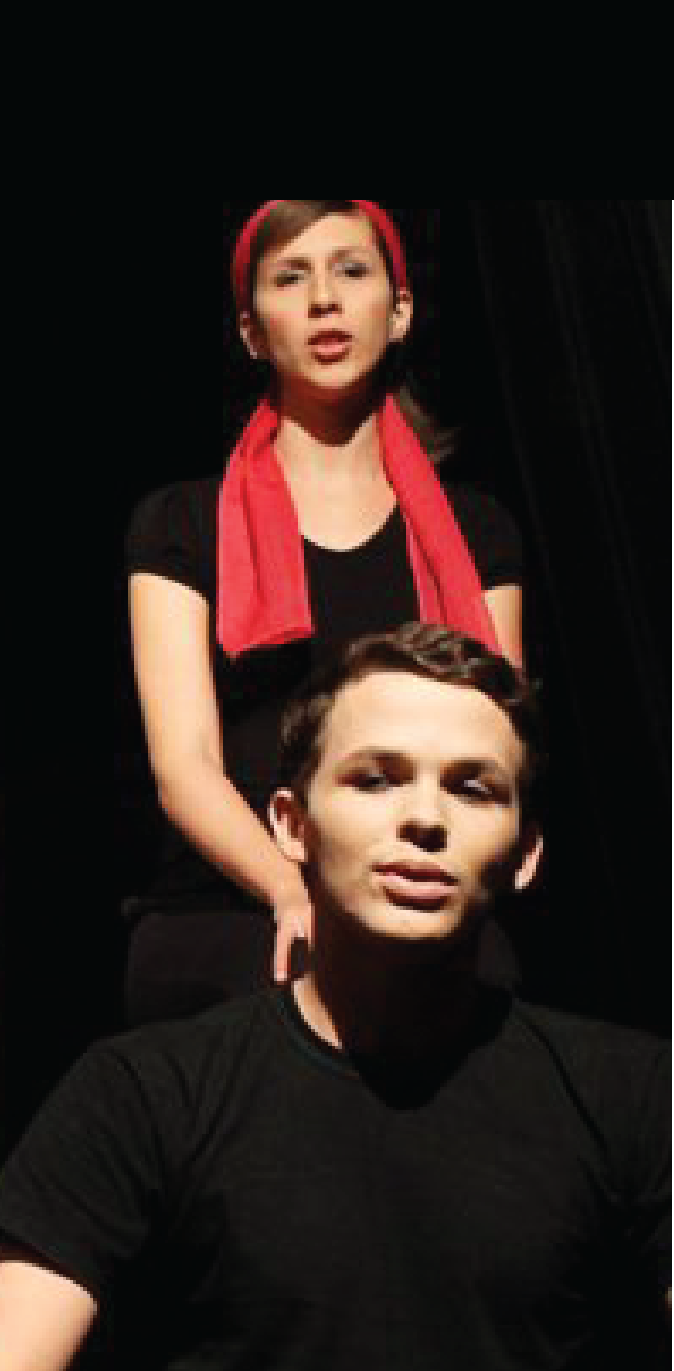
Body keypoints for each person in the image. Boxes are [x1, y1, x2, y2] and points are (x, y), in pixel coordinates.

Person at [0, 624, 666, 1371]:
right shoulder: (149, 1090)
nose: (423, 819)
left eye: (472, 788)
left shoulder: (629, 1093)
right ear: (289, 822)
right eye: (375, 778)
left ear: (527, 852)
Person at [117, 196, 530, 1022]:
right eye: (290, 278)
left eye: (351, 271)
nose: (324, 300)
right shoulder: (182, 522)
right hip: (235, 900)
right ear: (251, 331)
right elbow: (184, 767)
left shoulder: (475, 528)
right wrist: (290, 890)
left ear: (399, 310)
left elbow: (501, 731)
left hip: (413, 881)